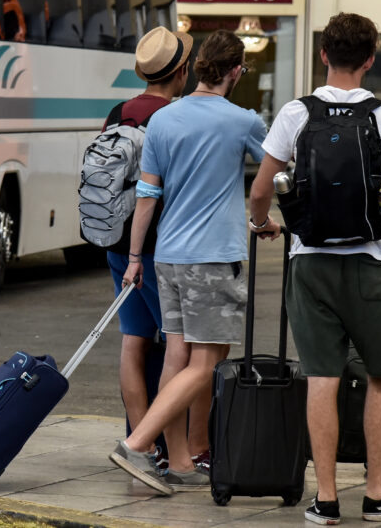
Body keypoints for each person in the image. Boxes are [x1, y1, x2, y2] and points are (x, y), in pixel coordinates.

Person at [251, 12, 381, 523]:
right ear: (371, 60)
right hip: (376, 265)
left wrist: (262, 222)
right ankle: (378, 494)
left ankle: (326, 499)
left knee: (321, 378)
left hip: (310, 265)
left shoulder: (296, 113)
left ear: (323, 55)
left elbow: (261, 188)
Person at [109, 29, 267, 495]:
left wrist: (135, 256)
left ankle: (177, 459)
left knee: (177, 358)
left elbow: (146, 194)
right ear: (236, 71)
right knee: (206, 361)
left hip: (168, 256)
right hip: (213, 257)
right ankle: (137, 445)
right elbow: (274, 175)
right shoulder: (243, 121)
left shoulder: (163, 120)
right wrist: (264, 220)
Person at [101, 26, 194, 471]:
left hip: (116, 239)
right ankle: (163, 448)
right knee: (181, 350)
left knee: (133, 340)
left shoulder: (119, 111)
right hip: (160, 244)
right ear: (180, 73)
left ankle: (139, 443)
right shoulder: (175, 118)